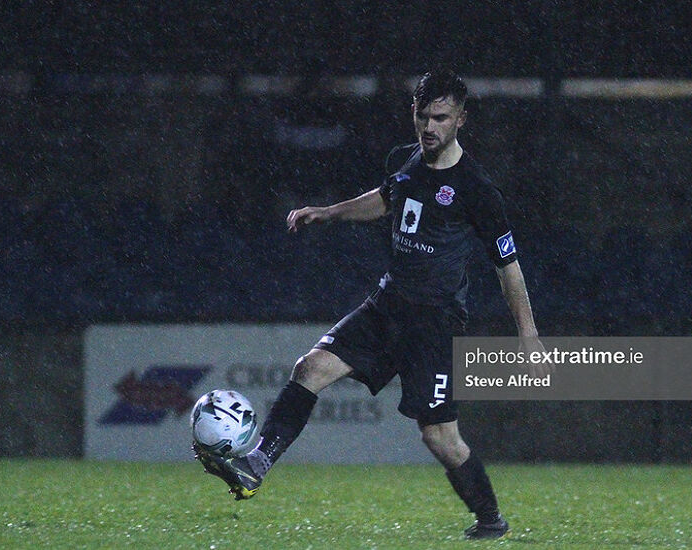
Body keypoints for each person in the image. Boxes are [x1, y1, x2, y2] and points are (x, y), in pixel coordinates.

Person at [195, 69, 545, 540]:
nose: (429, 127)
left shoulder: (478, 191)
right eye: (422, 116)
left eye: (440, 117)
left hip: (434, 324)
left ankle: (489, 518)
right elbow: (385, 199)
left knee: (439, 437)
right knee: (310, 368)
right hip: (388, 304)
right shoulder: (404, 161)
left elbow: (509, 269)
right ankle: (256, 464)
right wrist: (329, 212)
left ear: (461, 118)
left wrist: (528, 336)